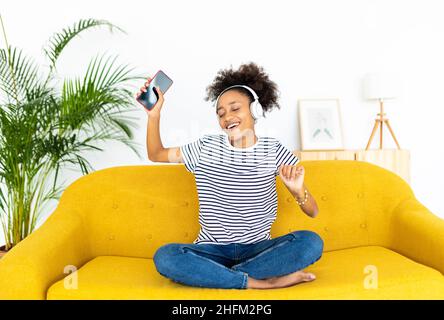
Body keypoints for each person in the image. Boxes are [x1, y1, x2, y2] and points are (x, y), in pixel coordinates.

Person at [138, 62, 323, 289]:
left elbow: (312, 211)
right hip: (211, 251)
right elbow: (156, 154)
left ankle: (218, 277)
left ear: (255, 110)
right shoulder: (205, 147)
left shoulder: (274, 150)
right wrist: (153, 115)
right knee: (166, 256)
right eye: (221, 113)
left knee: (311, 242)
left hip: (259, 251)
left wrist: (298, 191)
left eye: (235, 108)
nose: (227, 117)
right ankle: (260, 282)